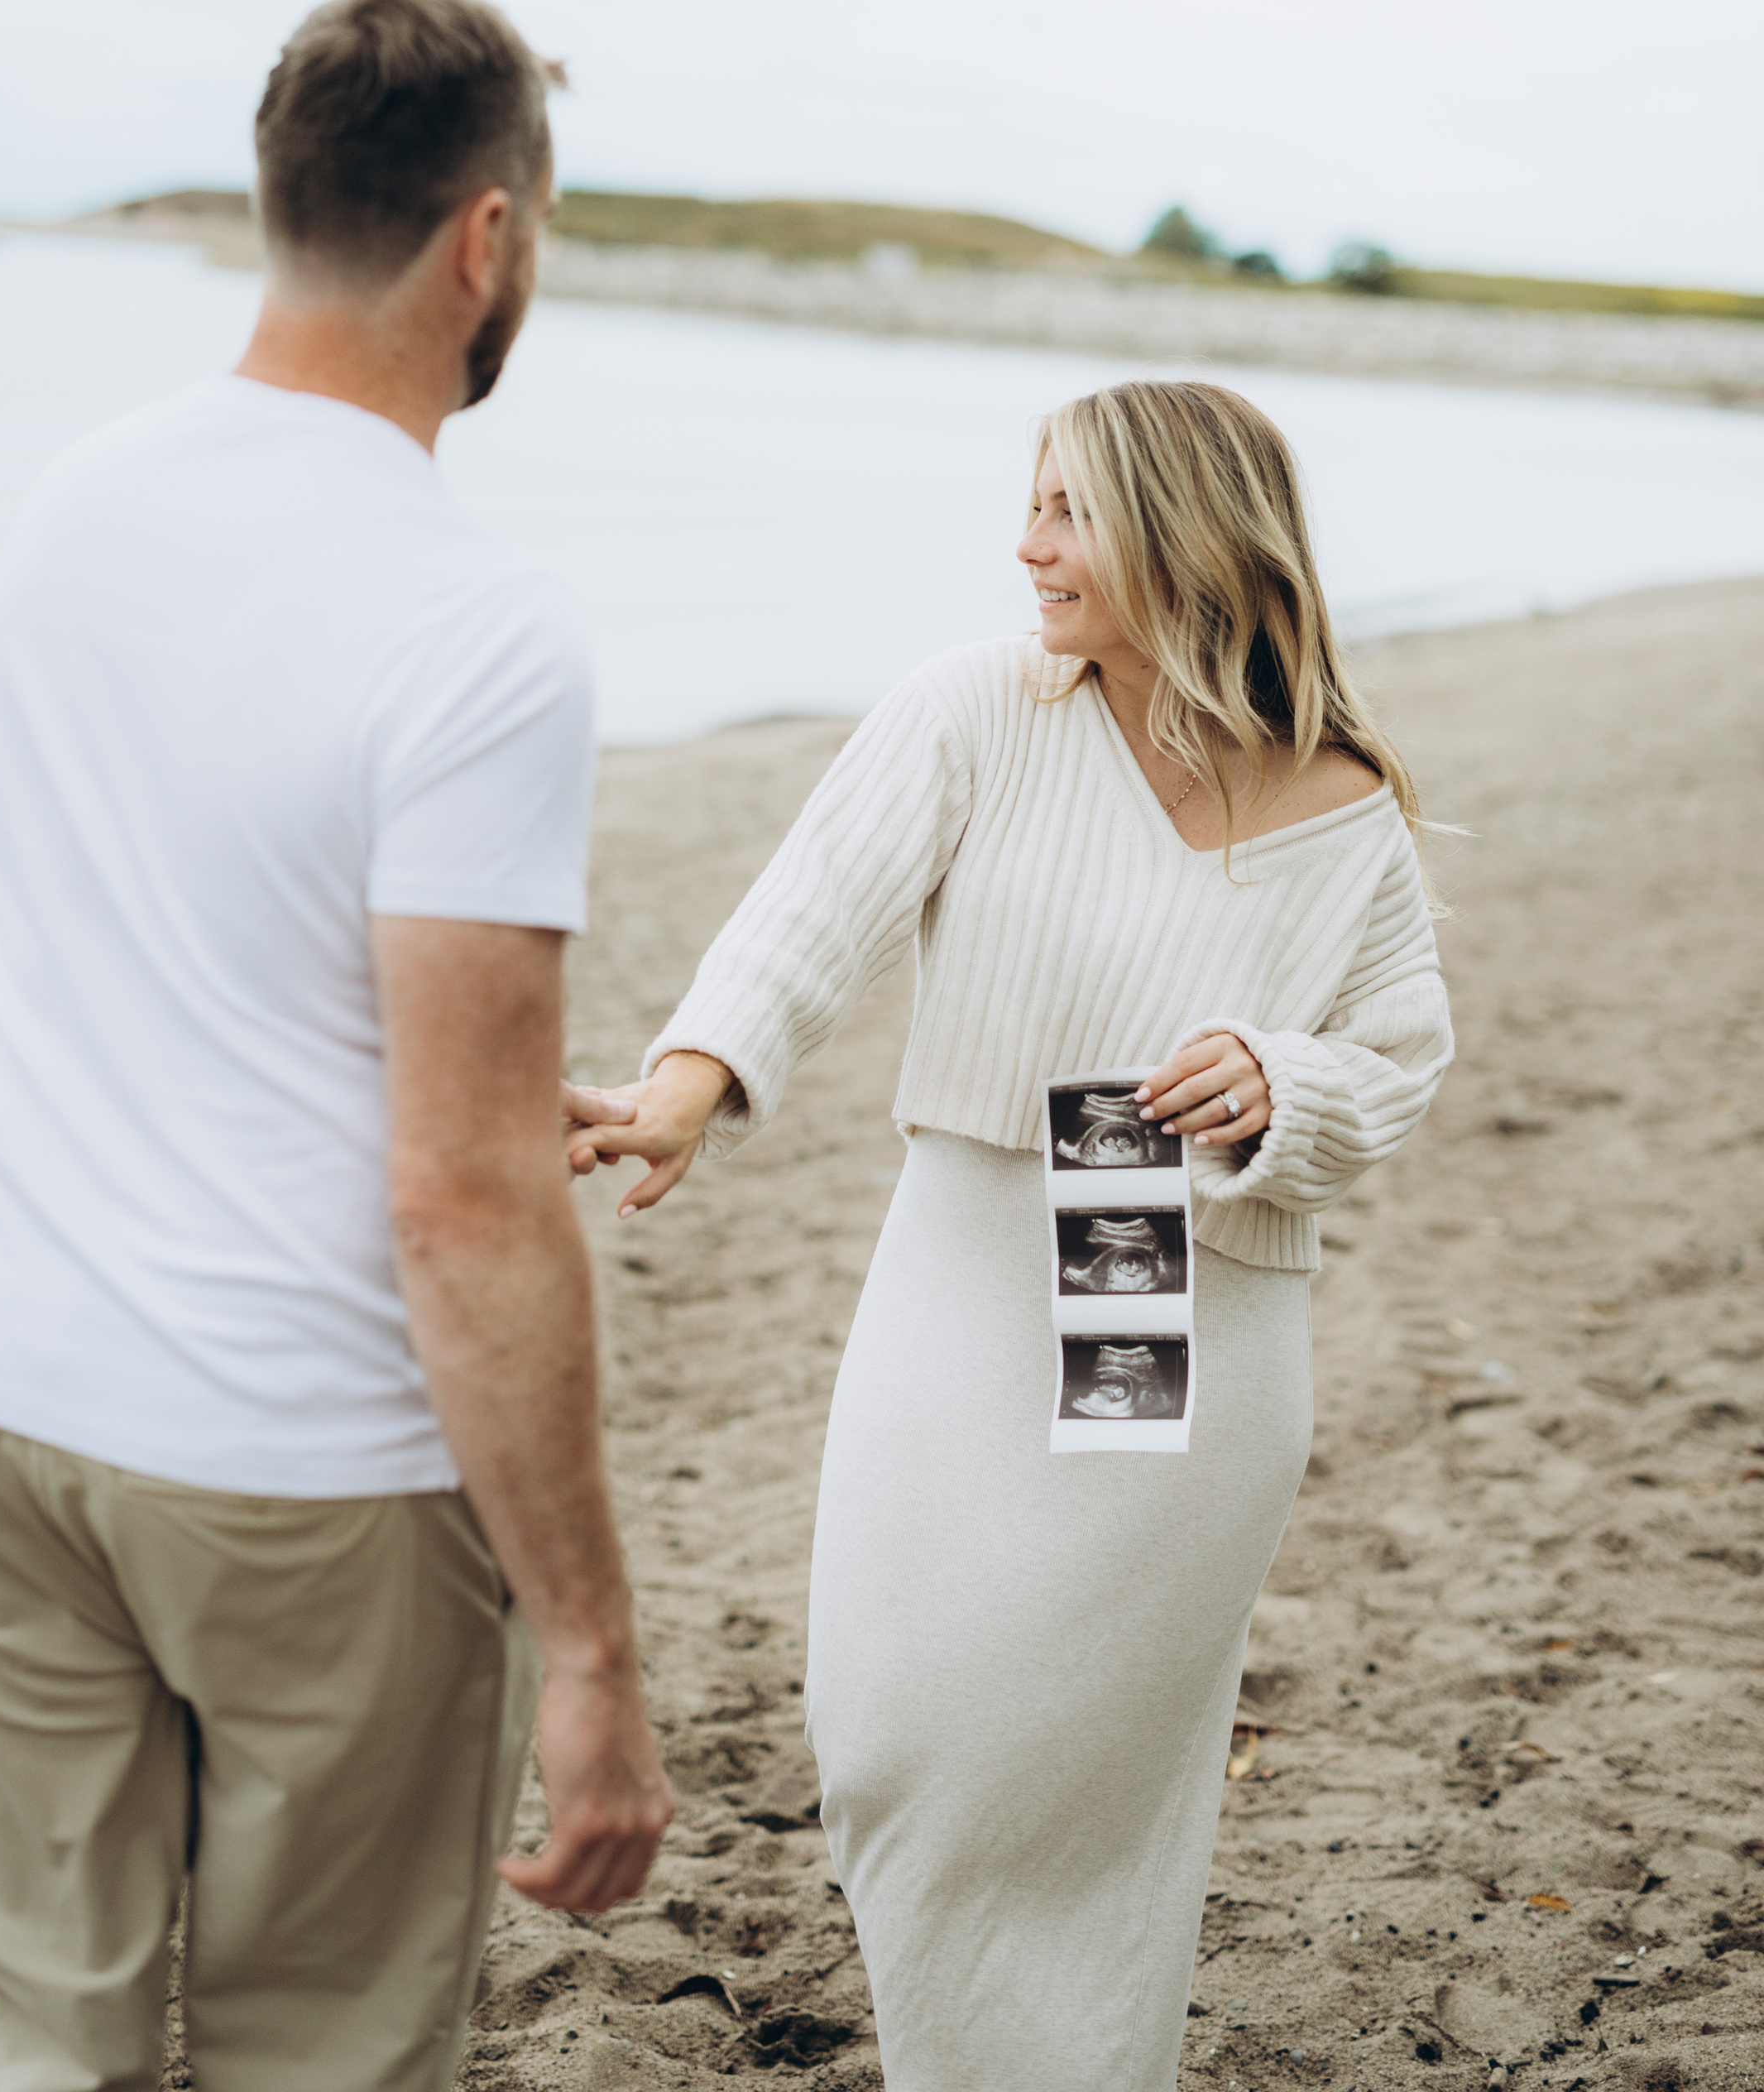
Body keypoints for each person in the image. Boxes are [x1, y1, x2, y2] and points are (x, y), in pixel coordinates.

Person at [0, 0, 671, 2092]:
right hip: (285, 1451)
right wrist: (588, 1647)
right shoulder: (473, 623)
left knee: (21, 2015)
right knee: (323, 2043)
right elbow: (463, 1193)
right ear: (485, 238)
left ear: (279, 193)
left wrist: (428, 1076)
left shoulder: (73, 501)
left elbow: (145, 918)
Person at [570, 377, 1454, 2092]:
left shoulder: (1344, 805)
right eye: (1028, 503)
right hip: (968, 1275)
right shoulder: (973, 710)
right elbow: (809, 914)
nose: (1027, 544)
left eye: (1068, 512)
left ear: (1182, 537)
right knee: (895, 1744)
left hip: (1180, 1318)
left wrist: (1278, 1081)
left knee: (1076, 1778)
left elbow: (1399, 1063)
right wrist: (686, 1086)